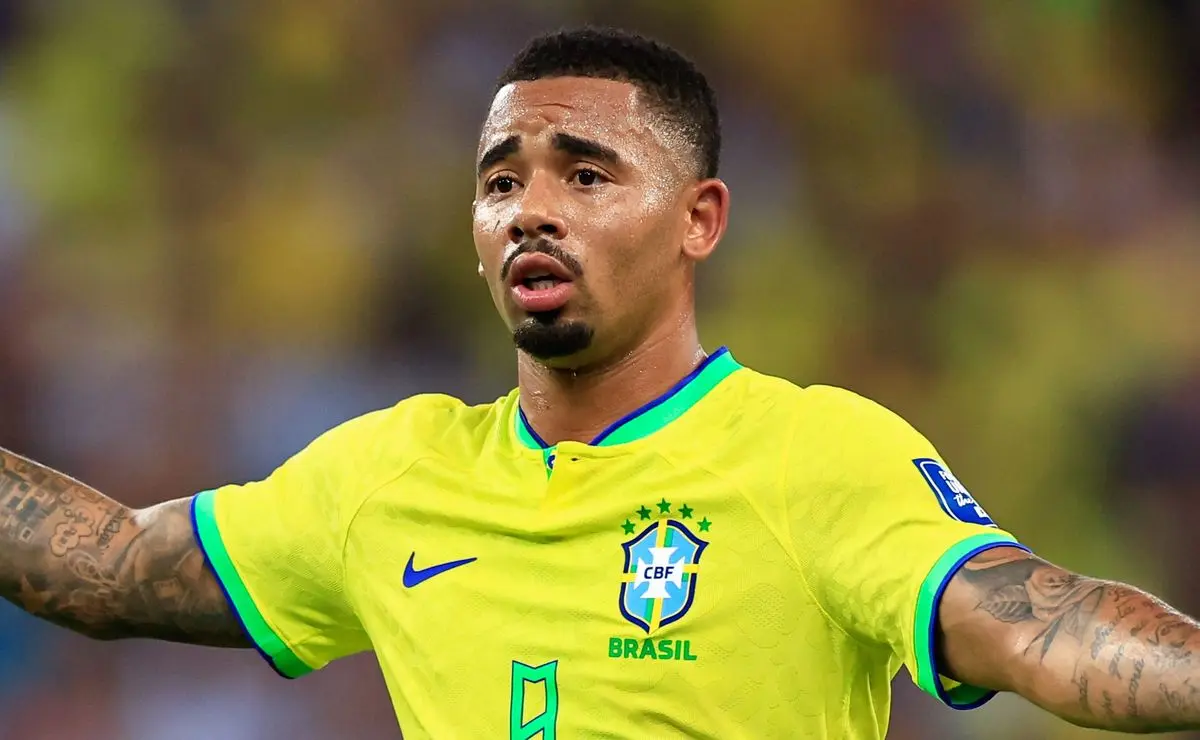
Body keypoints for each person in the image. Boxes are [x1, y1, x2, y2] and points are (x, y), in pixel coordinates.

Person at [0, 25, 1197, 740]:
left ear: (699, 219)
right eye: (501, 180)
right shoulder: (390, 472)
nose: (531, 208)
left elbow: (1041, 624)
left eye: (585, 174)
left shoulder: (814, 454)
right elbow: (107, 565)